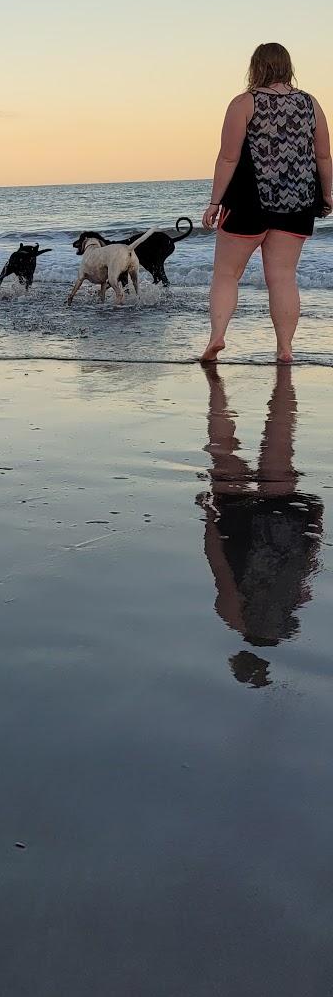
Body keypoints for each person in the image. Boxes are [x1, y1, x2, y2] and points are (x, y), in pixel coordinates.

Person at [200, 43, 332, 363]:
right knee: (283, 276)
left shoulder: (244, 103)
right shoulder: (311, 103)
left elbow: (228, 158)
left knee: (227, 274)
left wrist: (215, 202)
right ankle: (285, 348)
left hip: (248, 202)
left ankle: (217, 337)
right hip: (298, 202)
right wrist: (327, 195)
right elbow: (324, 156)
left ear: (256, 66)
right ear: (288, 66)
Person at [198, 363, 322, 685]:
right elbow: (217, 559)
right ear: (242, 655)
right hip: (242, 526)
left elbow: (307, 565)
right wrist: (209, 514)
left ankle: (282, 379)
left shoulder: (291, 609)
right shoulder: (232, 616)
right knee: (224, 455)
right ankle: (218, 392)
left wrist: (315, 525)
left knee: (280, 444)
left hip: (284, 523)